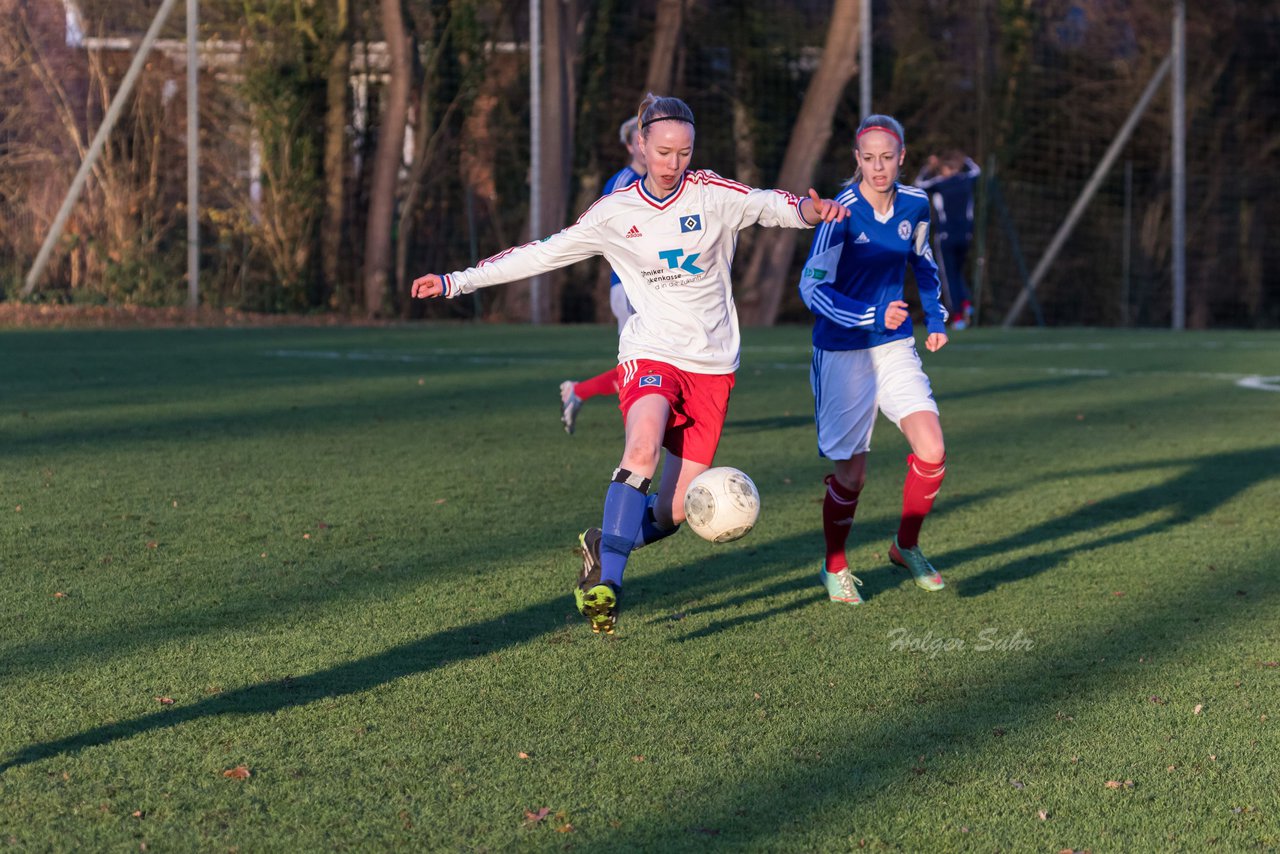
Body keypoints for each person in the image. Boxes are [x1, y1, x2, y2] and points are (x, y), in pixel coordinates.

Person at [413, 93, 850, 634]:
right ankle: (607, 588)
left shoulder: (713, 194)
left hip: (712, 365)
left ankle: (603, 542)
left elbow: (772, 205)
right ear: (640, 143)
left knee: (675, 512)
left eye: (684, 153)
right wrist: (458, 280)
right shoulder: (614, 212)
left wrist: (811, 210)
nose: (673, 164)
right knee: (640, 448)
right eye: (663, 151)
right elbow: (542, 252)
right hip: (651, 351)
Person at [797, 114, 950, 606]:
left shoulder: (916, 204)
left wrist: (937, 319)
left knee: (932, 451)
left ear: (902, 157)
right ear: (856, 160)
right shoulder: (841, 212)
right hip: (842, 350)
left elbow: (923, 262)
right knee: (852, 476)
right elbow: (811, 288)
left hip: (894, 345)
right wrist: (870, 313)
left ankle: (905, 546)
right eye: (869, 158)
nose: (878, 167)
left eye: (888, 157)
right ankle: (835, 563)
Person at [558, 116, 647, 434]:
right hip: (628, 285)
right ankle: (636, 428)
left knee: (652, 359)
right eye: (638, 139)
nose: (644, 144)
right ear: (629, 146)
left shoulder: (660, 183)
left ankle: (579, 392)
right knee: (638, 361)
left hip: (650, 285)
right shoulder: (624, 182)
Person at [915, 150, 980, 329]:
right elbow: (976, 170)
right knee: (957, 272)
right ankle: (966, 302)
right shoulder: (966, 179)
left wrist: (929, 166)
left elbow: (919, 183)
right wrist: (964, 158)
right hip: (966, 236)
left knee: (948, 276)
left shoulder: (940, 184)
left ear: (943, 169)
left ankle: (957, 316)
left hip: (946, 237)